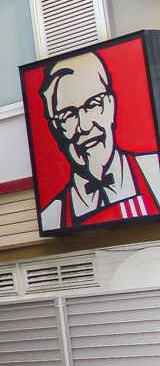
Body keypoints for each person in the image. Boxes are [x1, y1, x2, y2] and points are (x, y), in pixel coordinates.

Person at [37, 49, 160, 230]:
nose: (85, 126)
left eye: (93, 104)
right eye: (68, 115)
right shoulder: (53, 217)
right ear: (56, 129)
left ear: (110, 105)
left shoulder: (154, 173)